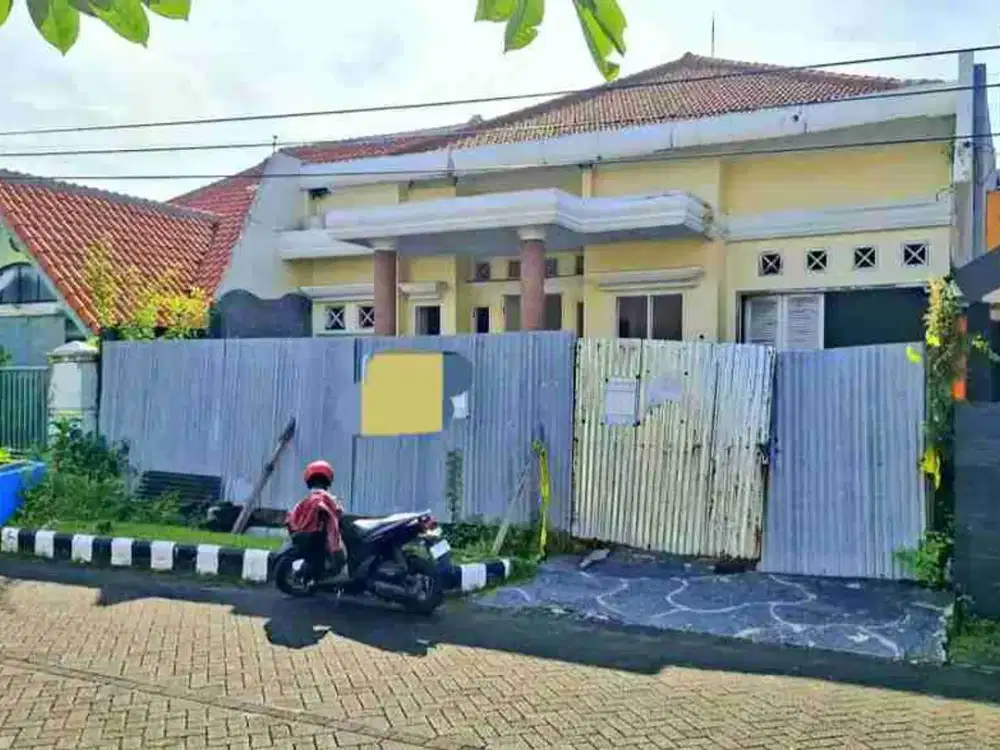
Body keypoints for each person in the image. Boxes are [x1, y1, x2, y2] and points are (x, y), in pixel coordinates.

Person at [285, 460, 346, 586]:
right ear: (329, 480)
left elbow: (290, 519)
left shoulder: (304, 501)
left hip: (303, 538)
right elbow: (338, 514)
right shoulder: (330, 499)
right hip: (323, 541)